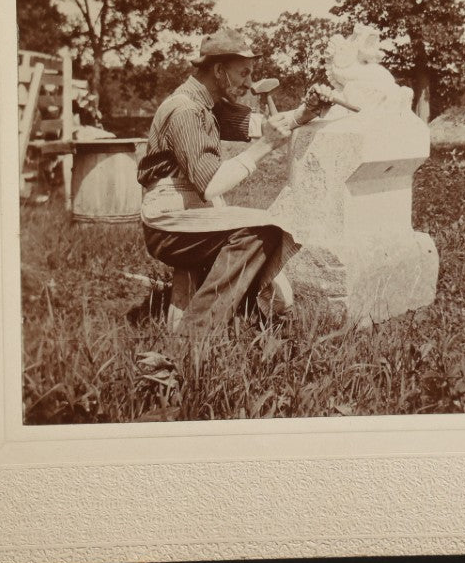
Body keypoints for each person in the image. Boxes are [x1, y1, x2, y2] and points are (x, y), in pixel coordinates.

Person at [135, 28, 327, 338]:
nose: (249, 82)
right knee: (262, 231)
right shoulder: (185, 110)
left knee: (266, 228)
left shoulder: (208, 104)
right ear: (219, 70)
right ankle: (193, 337)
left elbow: (263, 125)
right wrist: (265, 146)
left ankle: (239, 315)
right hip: (167, 225)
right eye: (243, 73)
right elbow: (211, 185)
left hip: (189, 215)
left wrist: (308, 110)